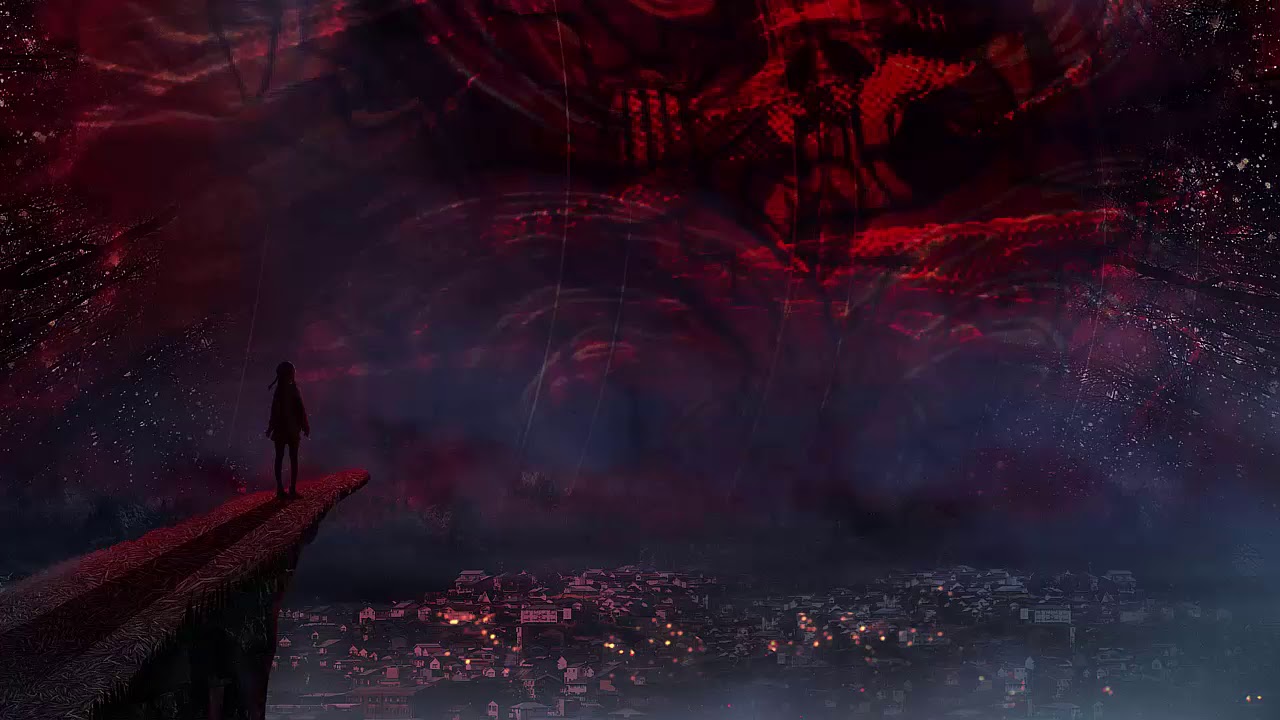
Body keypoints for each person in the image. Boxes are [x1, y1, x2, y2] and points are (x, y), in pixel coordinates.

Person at [265, 361, 310, 498]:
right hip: (289, 430)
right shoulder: (290, 390)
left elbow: (298, 410)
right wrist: (305, 425)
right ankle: (288, 489)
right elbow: (299, 410)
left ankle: (284, 488)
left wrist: (270, 427)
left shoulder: (283, 391)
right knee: (290, 458)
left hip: (285, 430)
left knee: (283, 457)